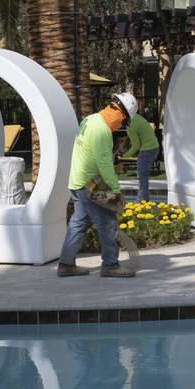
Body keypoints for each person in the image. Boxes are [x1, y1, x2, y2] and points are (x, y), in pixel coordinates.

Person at [57, 92, 137, 278]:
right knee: (108, 222)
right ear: (119, 112)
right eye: (124, 122)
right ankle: (110, 265)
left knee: (79, 223)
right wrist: (116, 191)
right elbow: (105, 164)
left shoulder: (90, 119)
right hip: (90, 185)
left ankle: (66, 264)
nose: (120, 127)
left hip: (78, 181)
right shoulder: (102, 130)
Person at [125, 101, 160, 202]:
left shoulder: (130, 126)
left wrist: (123, 155)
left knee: (142, 178)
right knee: (142, 177)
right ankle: (142, 201)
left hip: (147, 151)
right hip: (154, 148)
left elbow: (136, 146)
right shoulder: (136, 117)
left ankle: (142, 203)